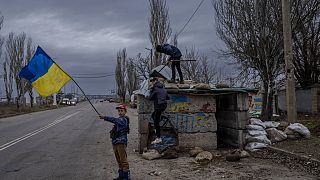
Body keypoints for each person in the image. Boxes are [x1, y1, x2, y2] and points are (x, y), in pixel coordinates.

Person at [99, 104, 130, 180]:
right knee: (118, 160)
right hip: (115, 142)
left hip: (121, 142)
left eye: (122, 111)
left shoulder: (123, 120)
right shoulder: (120, 119)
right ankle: (121, 175)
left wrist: (105, 117)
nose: (120, 112)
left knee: (123, 160)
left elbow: (115, 120)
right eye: (119, 111)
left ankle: (126, 177)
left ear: (125, 112)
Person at [148, 77, 169, 144]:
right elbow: (168, 97)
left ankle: (158, 138)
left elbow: (150, 98)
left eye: (152, 81)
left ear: (154, 81)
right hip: (164, 106)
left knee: (156, 121)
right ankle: (156, 128)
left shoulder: (155, 88)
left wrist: (151, 91)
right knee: (154, 115)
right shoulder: (163, 88)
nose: (151, 83)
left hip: (158, 106)